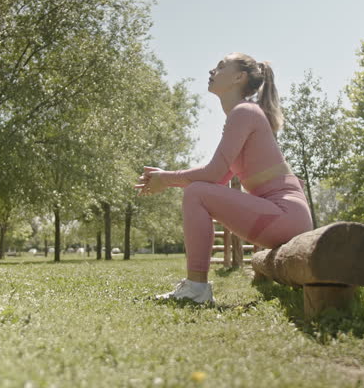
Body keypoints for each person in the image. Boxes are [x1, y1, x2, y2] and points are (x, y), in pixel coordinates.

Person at [134, 52, 313, 303]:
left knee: (196, 192)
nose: (212, 71)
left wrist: (165, 179)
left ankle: (196, 289)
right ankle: (195, 287)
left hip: (284, 216)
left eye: (220, 67)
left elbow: (212, 174)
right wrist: (166, 178)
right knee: (198, 191)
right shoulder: (240, 116)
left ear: (239, 77)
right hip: (278, 218)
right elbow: (217, 180)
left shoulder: (245, 112)